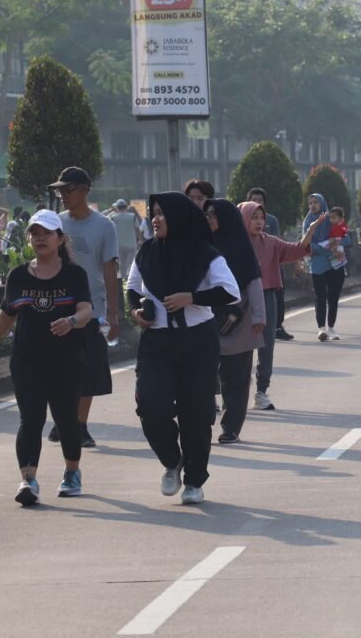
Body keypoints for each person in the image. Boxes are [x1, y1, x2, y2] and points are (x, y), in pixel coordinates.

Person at [0, 210, 94, 505]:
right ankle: (28, 480)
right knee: (31, 418)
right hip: (27, 360)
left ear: (60, 239)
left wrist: (72, 322)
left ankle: (72, 472)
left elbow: (86, 310)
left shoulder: (74, 274)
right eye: (35, 233)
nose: (40, 238)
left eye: (46, 233)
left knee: (66, 419)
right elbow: (6, 315)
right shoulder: (17, 275)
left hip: (66, 360)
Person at [128, 193, 240, 505]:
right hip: (157, 342)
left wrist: (191, 297)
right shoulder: (146, 252)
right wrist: (136, 311)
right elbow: (132, 288)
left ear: (178, 217)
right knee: (151, 406)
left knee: (196, 412)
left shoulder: (205, 254)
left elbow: (230, 291)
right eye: (154, 213)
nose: (156, 218)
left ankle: (193, 480)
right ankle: (172, 460)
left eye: (163, 213)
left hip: (197, 342)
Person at [48, 167, 118, 448]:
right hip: (57, 309)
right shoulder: (56, 224)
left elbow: (110, 270)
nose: (63, 196)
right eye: (59, 191)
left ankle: (80, 425)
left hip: (92, 309)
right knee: (59, 371)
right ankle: (64, 421)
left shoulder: (104, 226)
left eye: (68, 190)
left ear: (84, 190)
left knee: (87, 371)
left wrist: (114, 314)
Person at [240, 200, 323, 408]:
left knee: (266, 346)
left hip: (267, 297)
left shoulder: (271, 242)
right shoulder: (234, 244)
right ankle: (237, 391)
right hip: (241, 300)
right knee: (240, 349)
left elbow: (296, 250)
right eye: (254, 217)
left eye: (261, 218)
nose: (259, 222)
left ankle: (261, 391)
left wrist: (310, 232)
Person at [204, 199, 265, 444]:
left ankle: (230, 428)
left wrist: (259, 316)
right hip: (207, 319)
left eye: (212, 214)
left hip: (238, 320)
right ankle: (204, 418)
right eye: (206, 214)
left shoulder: (241, 247)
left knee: (236, 380)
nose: (208, 218)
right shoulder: (203, 245)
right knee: (204, 375)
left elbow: (254, 282)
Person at [247, 187, 292, 341]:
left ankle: (278, 326)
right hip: (252, 270)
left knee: (277, 299)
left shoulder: (271, 220)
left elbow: (276, 243)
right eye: (254, 200)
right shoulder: (242, 220)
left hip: (271, 267)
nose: (257, 202)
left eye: (260, 200)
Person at [304, 193, 347, 342]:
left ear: (322, 203)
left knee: (333, 298)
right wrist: (327, 249)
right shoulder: (308, 221)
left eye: (316, 202)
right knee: (320, 298)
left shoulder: (331, 218)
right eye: (310, 203)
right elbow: (308, 244)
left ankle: (331, 328)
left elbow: (345, 237)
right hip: (317, 266)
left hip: (335, 264)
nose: (313, 205)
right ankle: (321, 329)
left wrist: (336, 243)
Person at [109, 199, 143, 319]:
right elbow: (137, 230)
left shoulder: (113, 216)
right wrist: (140, 240)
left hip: (118, 245)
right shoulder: (132, 216)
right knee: (131, 266)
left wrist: (110, 209)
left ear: (117, 207)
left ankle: (123, 283)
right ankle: (128, 283)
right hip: (131, 244)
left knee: (122, 267)